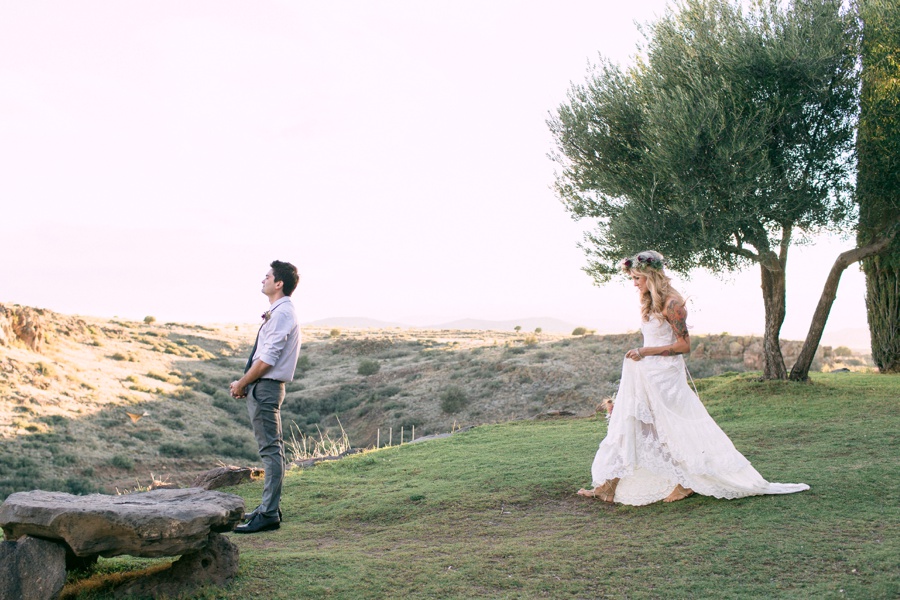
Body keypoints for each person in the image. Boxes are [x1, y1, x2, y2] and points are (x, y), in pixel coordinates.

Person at [577, 250, 809, 505]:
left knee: (673, 429)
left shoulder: (672, 303)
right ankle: (608, 486)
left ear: (650, 275)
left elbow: (683, 345)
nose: (634, 284)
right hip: (646, 372)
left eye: (637, 278)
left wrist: (645, 351)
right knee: (630, 424)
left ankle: (686, 482)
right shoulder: (649, 300)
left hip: (665, 376)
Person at [230, 260, 302, 533]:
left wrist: (242, 383)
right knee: (271, 449)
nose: (263, 280)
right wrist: (246, 383)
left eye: (267, 276)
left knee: (271, 451)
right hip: (263, 385)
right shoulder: (279, 311)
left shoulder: (283, 313)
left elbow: (268, 359)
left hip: (267, 387)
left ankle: (269, 513)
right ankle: (267, 507)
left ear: (279, 283)